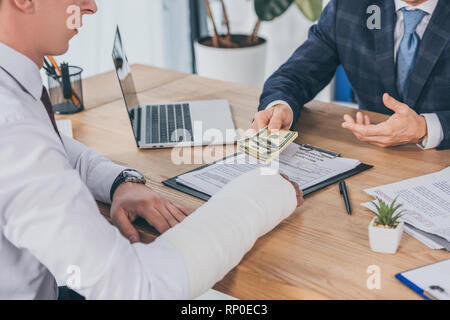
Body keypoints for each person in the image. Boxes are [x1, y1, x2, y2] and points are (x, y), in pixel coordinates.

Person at [0, 0, 304, 299]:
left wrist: (120, 182)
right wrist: (262, 194)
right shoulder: (12, 125)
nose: (91, 7)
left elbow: (58, 148)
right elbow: (140, 289)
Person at [252, 0, 449, 150]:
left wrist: (427, 127)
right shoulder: (349, 6)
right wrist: (280, 106)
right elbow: (296, 74)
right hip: (372, 156)